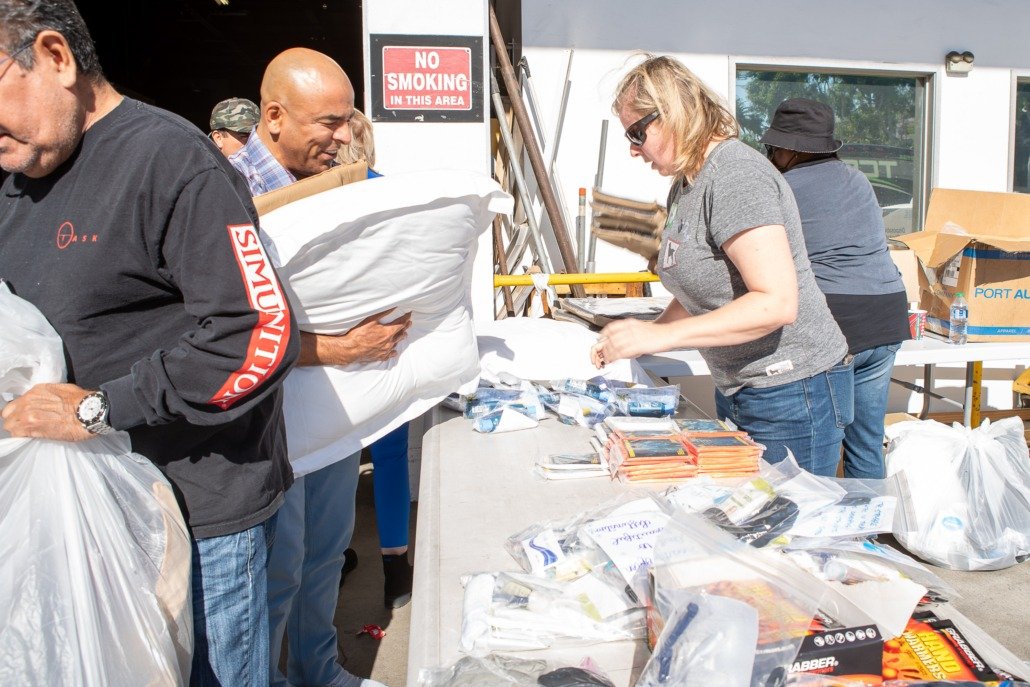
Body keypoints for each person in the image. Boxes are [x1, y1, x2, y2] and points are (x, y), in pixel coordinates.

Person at [0, 2, 299, 685]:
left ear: (55, 55)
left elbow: (258, 333)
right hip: (80, 518)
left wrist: (98, 408)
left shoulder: (172, 161)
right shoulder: (17, 183)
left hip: (194, 524)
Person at [229, 47, 406, 687]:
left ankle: (317, 668)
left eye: (347, 120)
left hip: (332, 408)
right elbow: (230, 330)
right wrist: (336, 347)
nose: (343, 137)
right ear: (274, 117)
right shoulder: (227, 194)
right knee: (280, 566)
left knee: (327, 552)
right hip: (266, 420)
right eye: (328, 123)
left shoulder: (333, 185)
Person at [592, 55, 853, 477]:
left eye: (638, 132)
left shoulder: (735, 177)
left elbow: (775, 304)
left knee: (785, 530)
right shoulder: (686, 183)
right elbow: (697, 288)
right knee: (746, 520)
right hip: (744, 385)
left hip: (792, 388)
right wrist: (649, 332)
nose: (633, 149)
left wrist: (660, 338)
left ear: (675, 113)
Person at [762, 98, 910, 479]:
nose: (770, 154)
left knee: (818, 447)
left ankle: (820, 535)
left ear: (790, 149)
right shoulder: (856, 178)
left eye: (774, 147)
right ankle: (868, 536)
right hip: (887, 312)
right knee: (865, 441)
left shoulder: (780, 187)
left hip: (837, 318)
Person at [335, 108, 414, 610]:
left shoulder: (309, 198)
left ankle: (336, 555)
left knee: (332, 460)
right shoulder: (393, 194)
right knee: (389, 458)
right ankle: (396, 571)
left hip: (329, 347)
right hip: (386, 338)